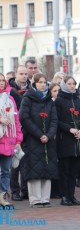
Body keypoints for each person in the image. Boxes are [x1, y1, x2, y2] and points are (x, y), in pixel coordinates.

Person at [19, 73, 58, 208]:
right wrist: (39, 134)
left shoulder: (49, 100)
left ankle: (45, 198)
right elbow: (24, 118)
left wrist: (49, 134)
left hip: (48, 139)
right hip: (32, 139)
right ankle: (35, 199)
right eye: (40, 82)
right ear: (34, 83)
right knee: (34, 168)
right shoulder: (28, 98)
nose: (43, 84)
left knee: (47, 166)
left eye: (44, 82)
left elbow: (54, 119)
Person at [55, 76, 80, 206]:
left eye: (73, 83)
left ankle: (72, 194)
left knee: (74, 170)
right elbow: (57, 120)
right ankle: (64, 195)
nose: (72, 86)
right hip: (65, 139)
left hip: (78, 139)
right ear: (64, 85)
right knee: (64, 169)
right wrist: (69, 129)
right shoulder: (59, 100)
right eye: (69, 83)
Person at [0, 73, 23, 208]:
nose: (1, 83)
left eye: (3, 81)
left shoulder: (10, 99)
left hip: (8, 141)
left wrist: (18, 140)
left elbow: (16, 121)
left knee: (6, 171)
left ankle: (3, 196)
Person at [8, 65, 31, 201]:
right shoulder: (10, 91)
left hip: (27, 129)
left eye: (25, 74)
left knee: (26, 161)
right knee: (15, 163)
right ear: (15, 74)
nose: (23, 76)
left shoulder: (30, 89)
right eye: (21, 73)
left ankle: (25, 190)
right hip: (14, 129)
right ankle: (15, 191)